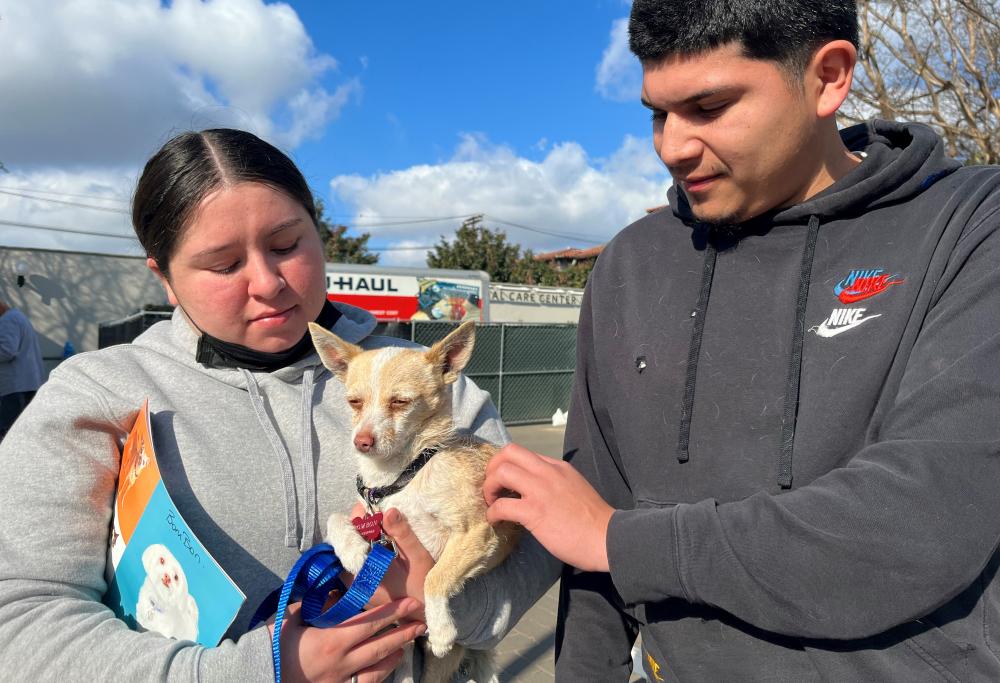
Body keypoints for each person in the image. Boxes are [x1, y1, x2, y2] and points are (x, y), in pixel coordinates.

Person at [483, 1, 1000, 680]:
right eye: (657, 114)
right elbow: (591, 511)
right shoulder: (633, 265)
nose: (672, 145)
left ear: (828, 77)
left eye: (709, 106)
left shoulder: (968, 225)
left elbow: (920, 520)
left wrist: (620, 539)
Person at [0, 129, 554, 682]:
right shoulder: (95, 394)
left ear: (320, 236)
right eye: (222, 264)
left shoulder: (432, 384)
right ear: (164, 276)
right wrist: (263, 670)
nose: (267, 283)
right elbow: (21, 621)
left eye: (287, 245)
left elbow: (530, 549)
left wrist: (443, 605)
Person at [0, 298, 45, 440]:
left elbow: (6, 351)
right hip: (26, 385)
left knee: (12, 435)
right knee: (24, 434)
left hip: (15, 388)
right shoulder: (17, 317)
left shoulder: (7, 321)